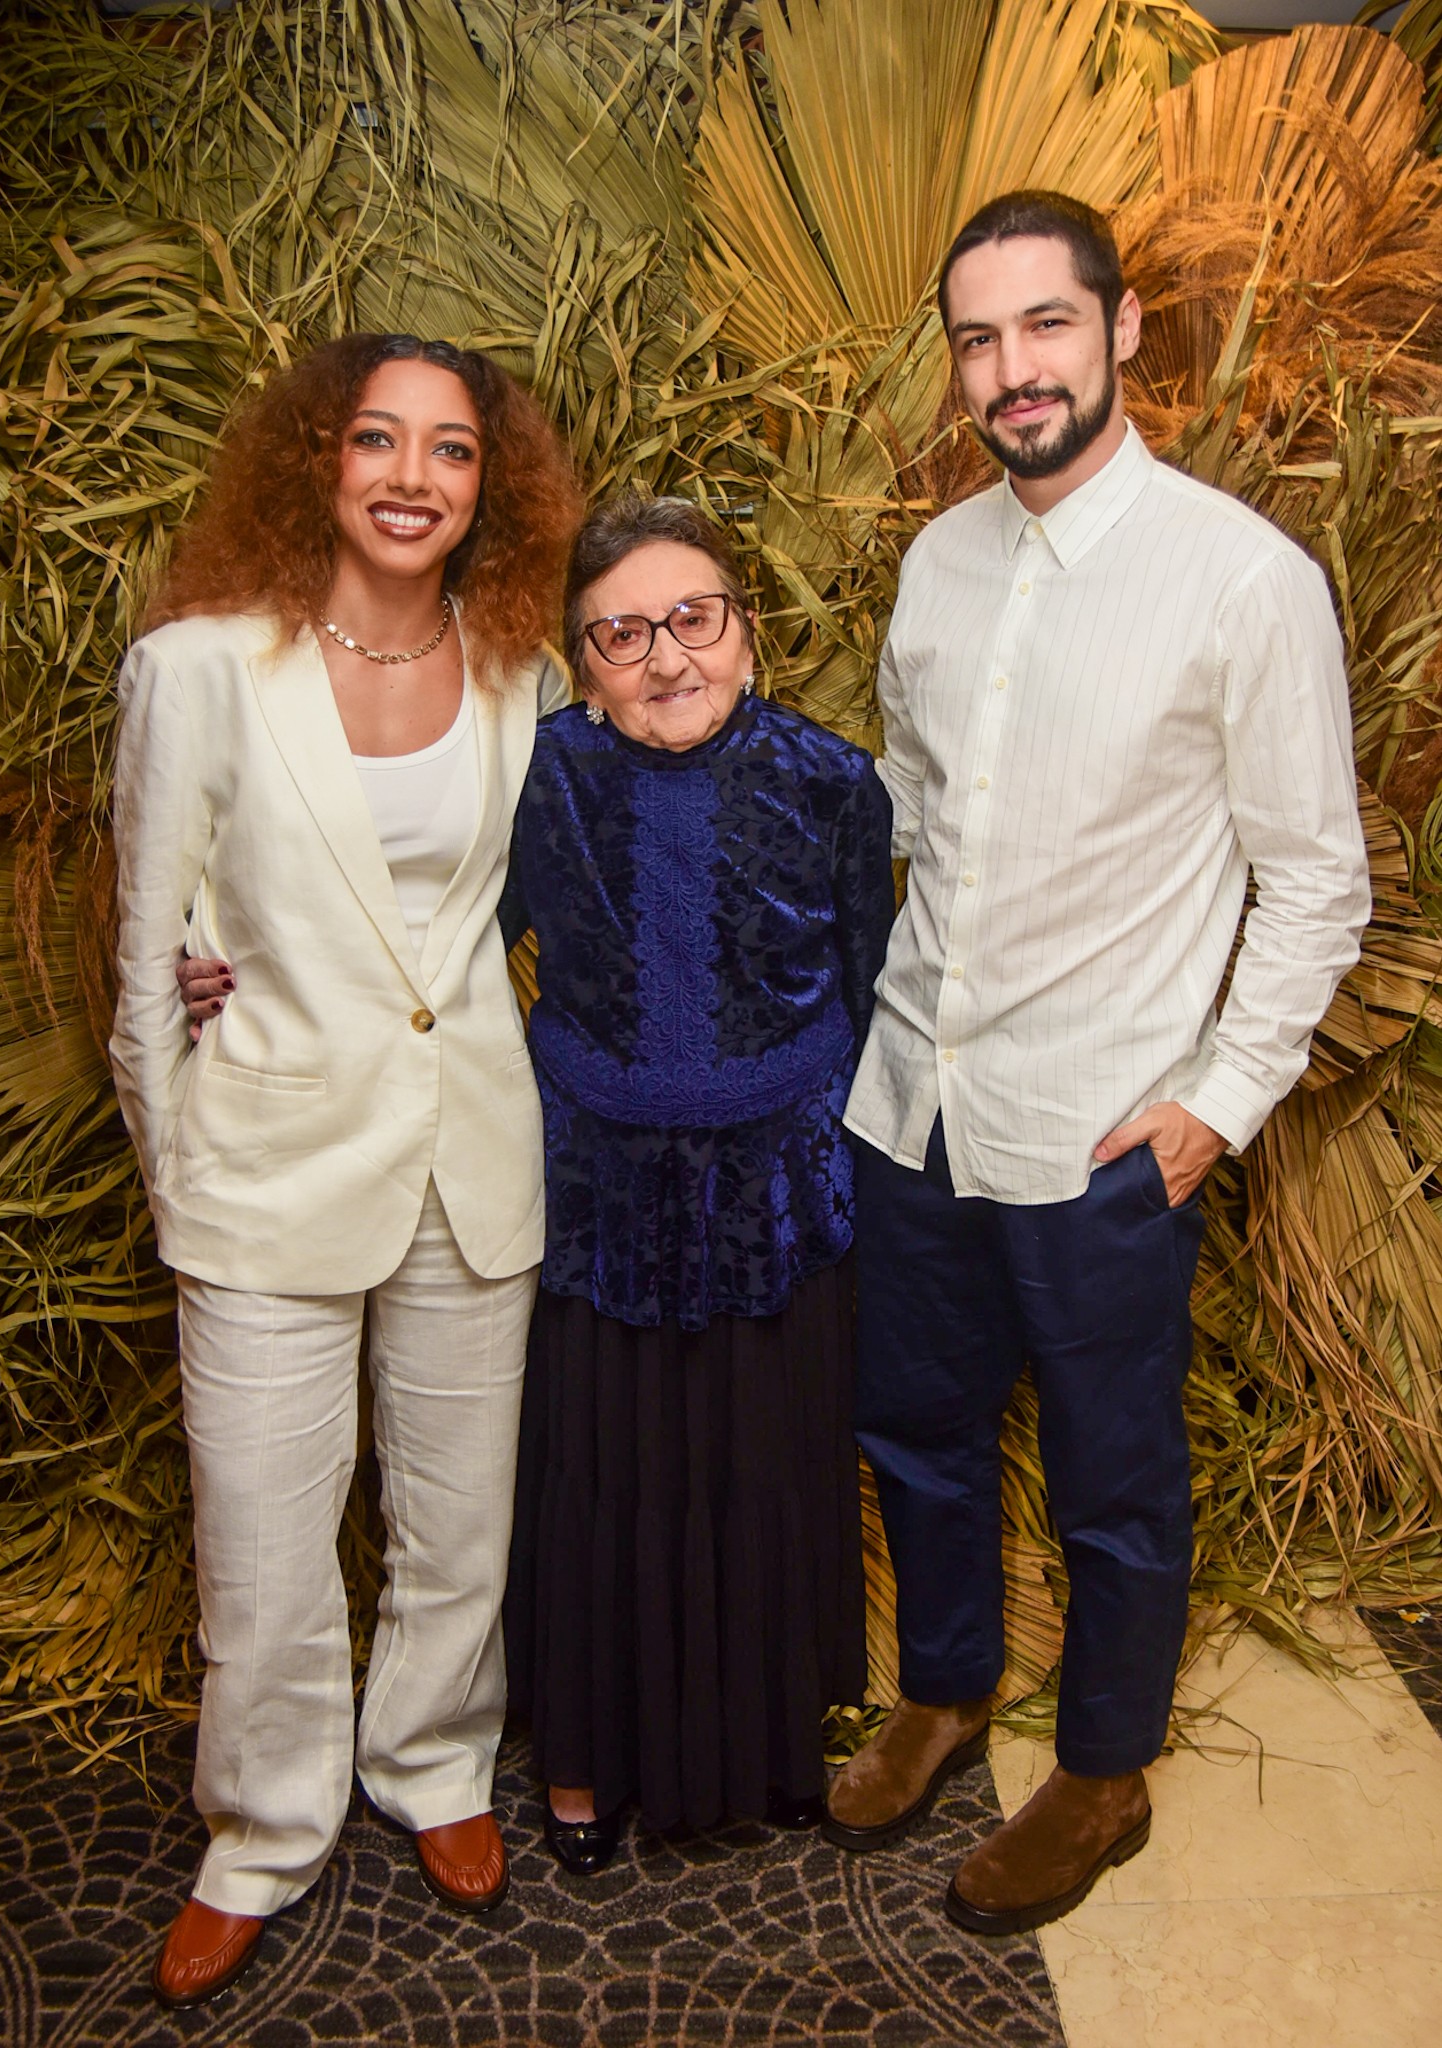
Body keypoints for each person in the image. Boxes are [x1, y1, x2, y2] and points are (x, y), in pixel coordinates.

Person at [826, 191, 1370, 1934]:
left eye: (1046, 325)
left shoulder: (1240, 580)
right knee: (917, 1426)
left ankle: (1105, 1770)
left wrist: (1215, 1103)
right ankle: (942, 1689)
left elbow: (1315, 881)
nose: (1013, 370)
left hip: (1100, 1135)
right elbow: (915, 809)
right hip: (914, 1105)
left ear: (1122, 329)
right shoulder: (937, 560)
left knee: (1113, 1475)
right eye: (978, 340)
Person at [110, 332, 579, 2007]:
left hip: (474, 1155)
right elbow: (144, 955)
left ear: (486, 488)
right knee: (262, 1538)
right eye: (377, 439)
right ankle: (259, 1831)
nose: (409, 476)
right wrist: (182, 1179)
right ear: (318, 457)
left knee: (458, 1517)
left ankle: (435, 1760)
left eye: (449, 449)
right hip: (265, 1164)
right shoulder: (197, 669)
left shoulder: (527, 674)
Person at [499, 495, 896, 1870]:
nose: (667, 658)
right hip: (597, 1196)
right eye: (622, 635)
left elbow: (869, 990)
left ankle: (765, 1747)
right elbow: (438, 947)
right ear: (582, 668)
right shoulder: (540, 778)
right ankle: (585, 1755)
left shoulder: (834, 781)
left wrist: (836, 1170)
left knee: (757, 1471)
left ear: (746, 631)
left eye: (693, 619)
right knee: (605, 1474)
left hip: (774, 1200)